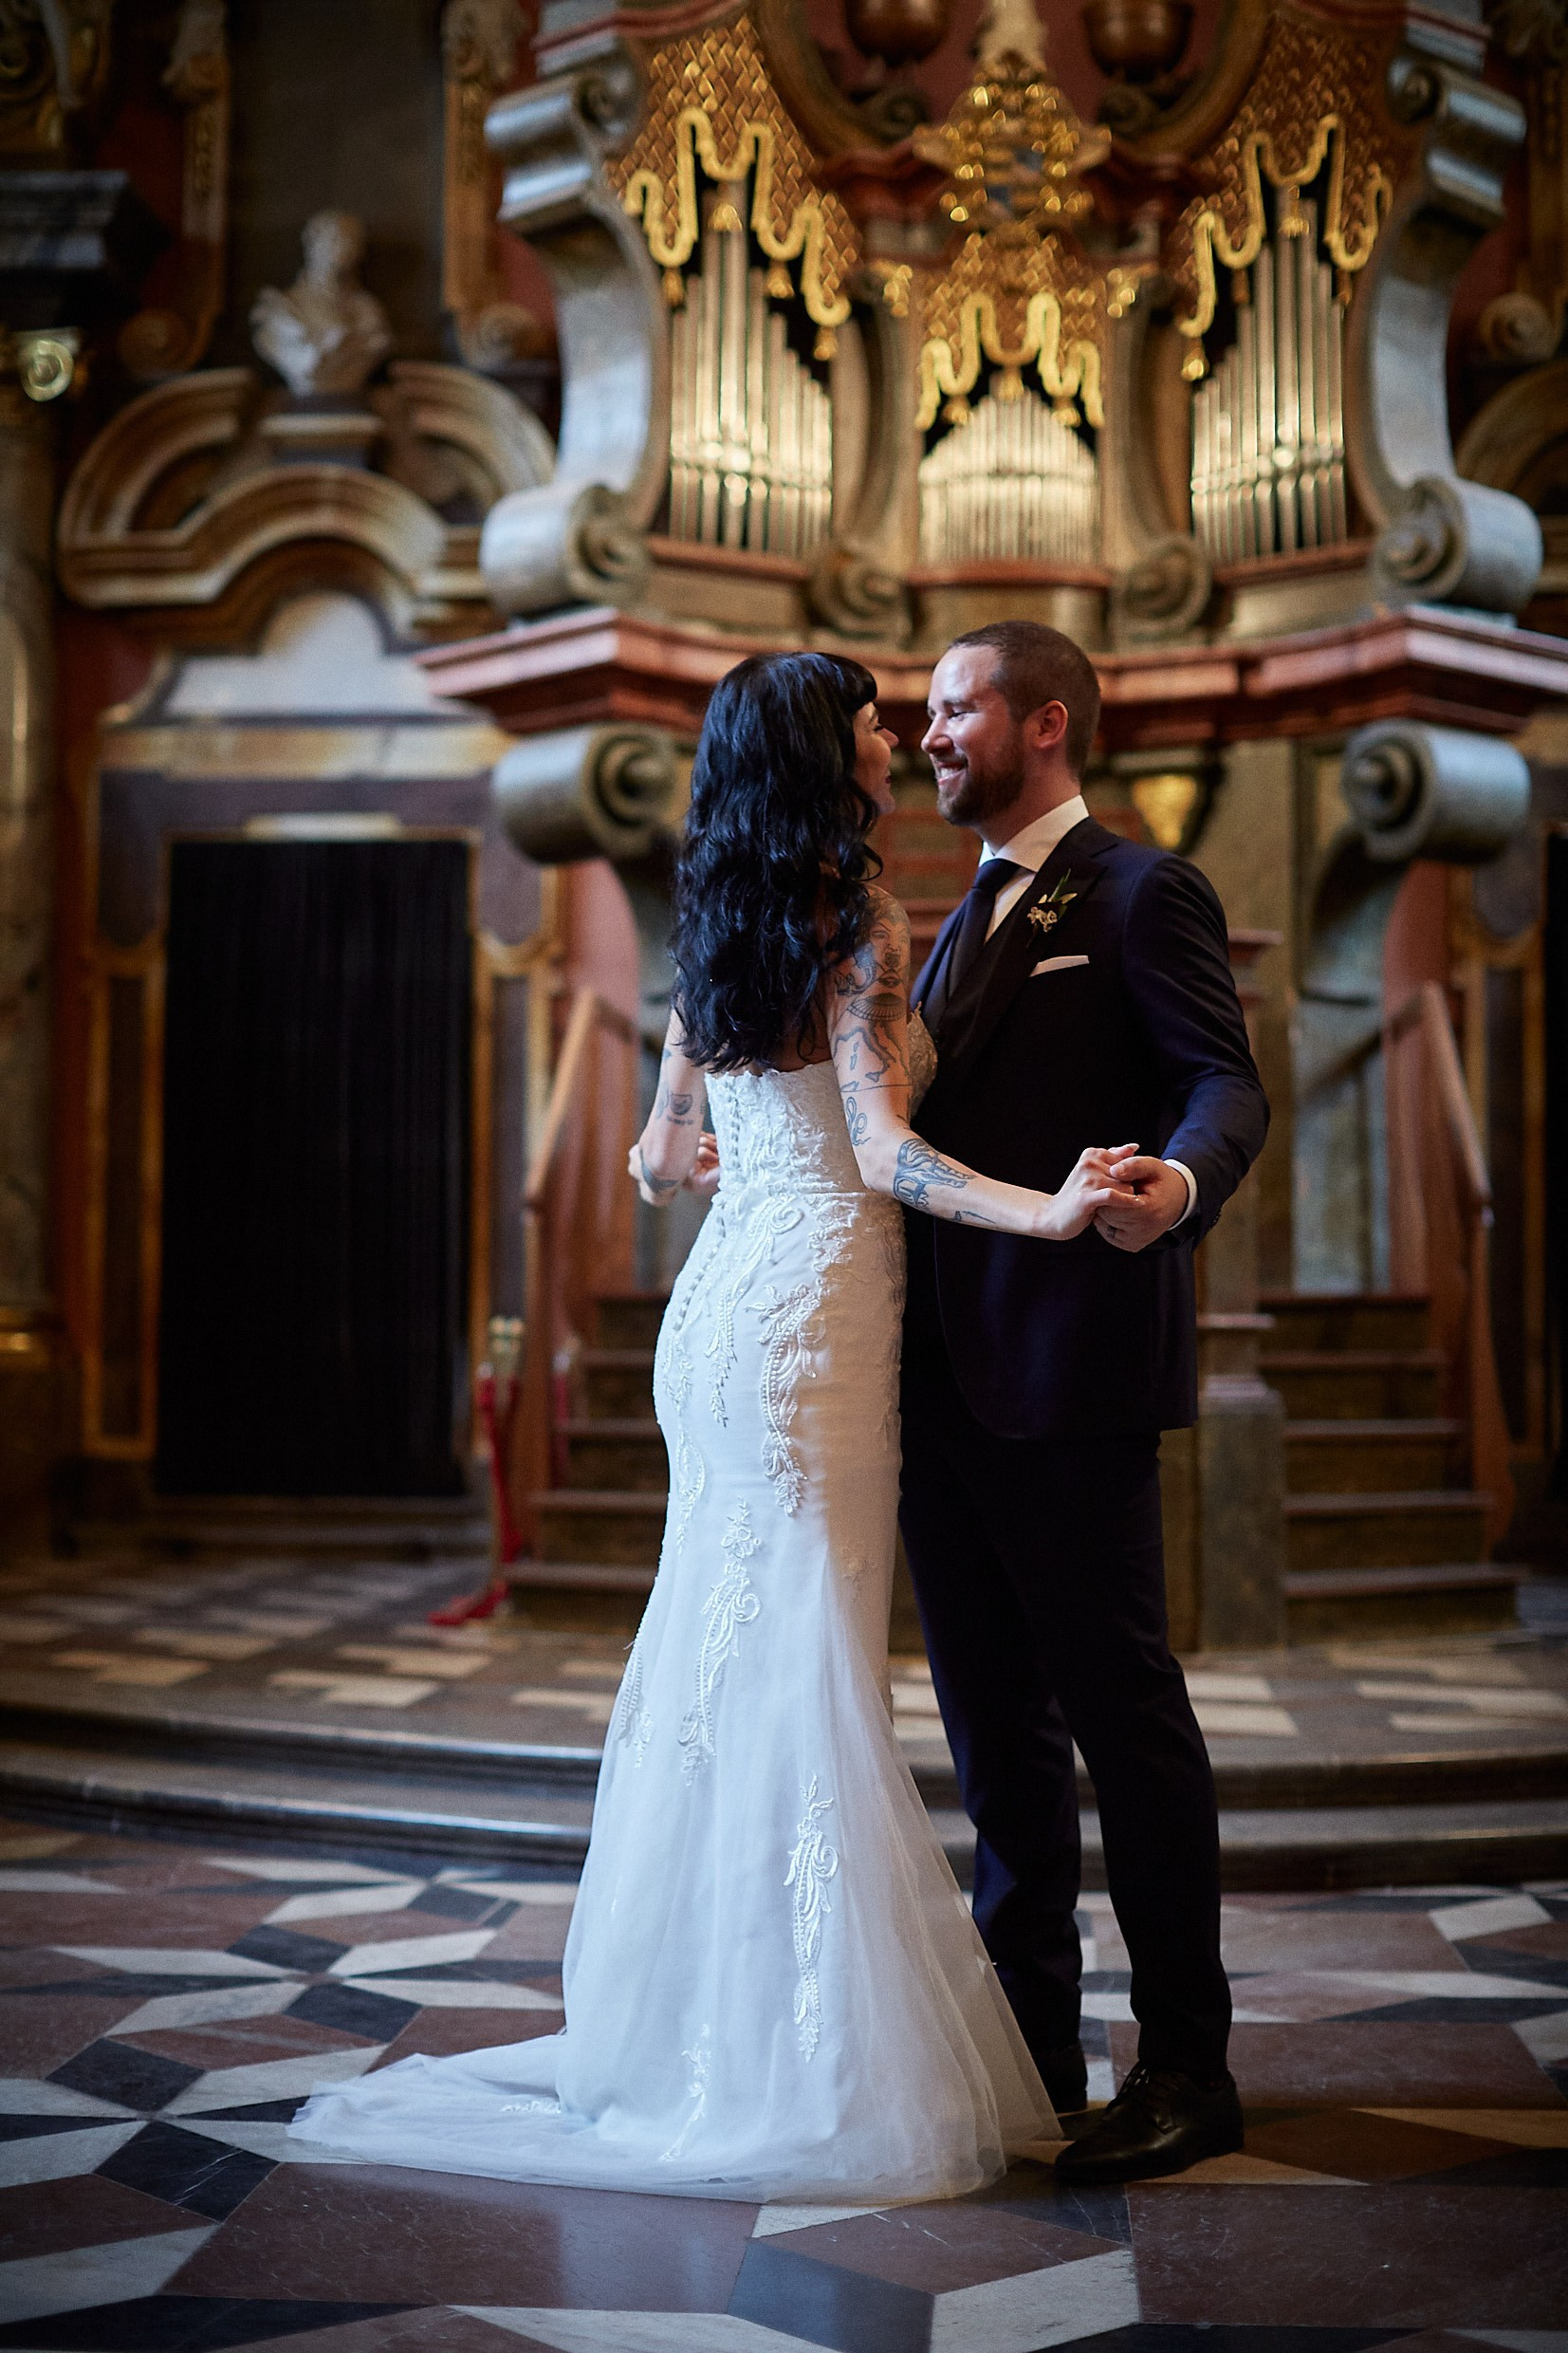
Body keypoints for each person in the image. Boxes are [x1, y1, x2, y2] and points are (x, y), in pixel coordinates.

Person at [289, 649, 1140, 2203]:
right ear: (829, 755)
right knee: (804, 1661)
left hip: (720, 1315)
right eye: (874, 723)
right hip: (817, 1313)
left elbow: (648, 1151)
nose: (894, 740)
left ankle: (687, 2024)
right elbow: (884, 1158)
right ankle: (794, 2055)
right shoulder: (861, 921)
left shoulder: (716, 920)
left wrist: (728, 1155)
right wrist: (1054, 1209)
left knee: (722, 1652)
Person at [901, 620, 1269, 2184]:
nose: (927, 734)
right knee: (993, 1740)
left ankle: (1185, 2063)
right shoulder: (949, 920)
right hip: (937, 1387)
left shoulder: (1135, 888)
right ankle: (1033, 2050)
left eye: (952, 706)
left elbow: (1224, 1080)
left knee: (1124, 1723)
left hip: (1070, 1370)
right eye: (919, 712)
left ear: (1042, 722)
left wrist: (1174, 1184)